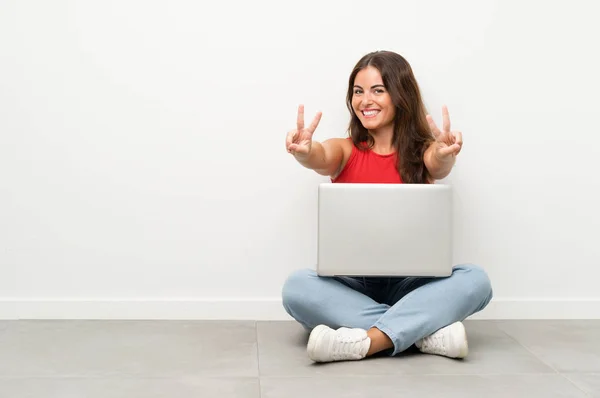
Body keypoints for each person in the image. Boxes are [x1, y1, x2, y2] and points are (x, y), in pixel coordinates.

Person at [282, 50, 493, 363]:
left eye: (377, 90)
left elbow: (439, 162)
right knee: (297, 288)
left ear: (400, 95)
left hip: (413, 283)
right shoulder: (344, 150)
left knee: (476, 280)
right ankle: (423, 333)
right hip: (352, 283)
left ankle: (367, 341)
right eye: (358, 91)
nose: (365, 100)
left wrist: (446, 153)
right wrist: (303, 152)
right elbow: (319, 155)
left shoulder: (424, 152)